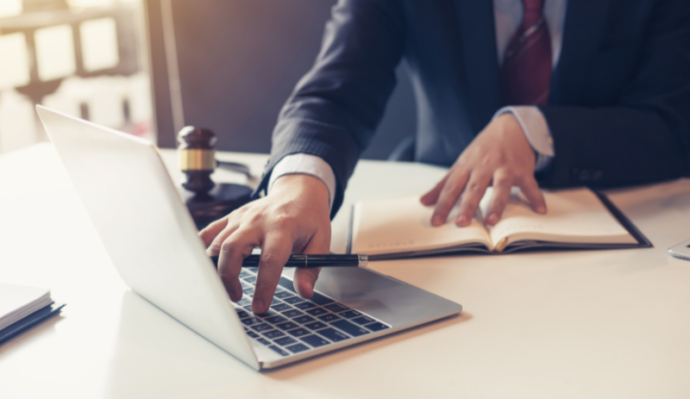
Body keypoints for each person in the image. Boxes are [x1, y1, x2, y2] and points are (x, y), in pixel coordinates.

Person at [200, 0, 690, 314]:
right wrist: (298, 184)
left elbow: (674, 122)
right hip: (442, 226)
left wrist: (534, 130)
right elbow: (335, 92)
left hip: (625, 245)